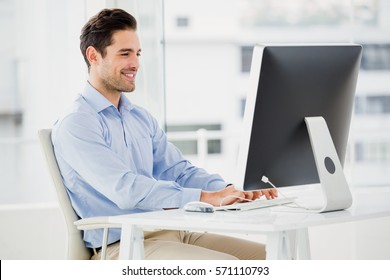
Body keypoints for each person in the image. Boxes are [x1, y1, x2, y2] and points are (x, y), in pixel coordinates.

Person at [52, 8, 277, 260]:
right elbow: (126, 189)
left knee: (276, 259)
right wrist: (207, 198)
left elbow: (180, 172)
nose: (135, 63)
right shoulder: (77, 123)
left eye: (137, 53)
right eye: (124, 54)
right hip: (122, 245)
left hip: (174, 232)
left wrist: (231, 190)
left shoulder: (140, 118)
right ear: (93, 56)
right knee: (227, 268)